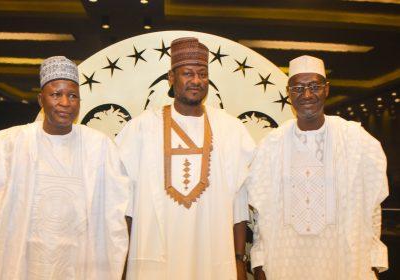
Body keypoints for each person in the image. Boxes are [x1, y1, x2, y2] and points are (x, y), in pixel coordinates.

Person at [116, 37, 255, 280]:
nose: (196, 81)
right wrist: (122, 262)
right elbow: (124, 205)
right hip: (154, 257)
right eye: (187, 73)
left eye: (202, 74)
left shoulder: (231, 130)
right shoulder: (140, 129)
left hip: (213, 258)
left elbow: (239, 203)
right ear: (171, 78)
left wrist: (238, 260)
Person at [0, 56, 130, 279]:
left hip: (81, 260)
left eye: (72, 96)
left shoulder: (99, 146)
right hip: (27, 261)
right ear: (41, 100)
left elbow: (116, 211)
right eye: (56, 94)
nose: (65, 103)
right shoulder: (12, 144)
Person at [247, 55, 389, 280]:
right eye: (298, 88)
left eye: (314, 86)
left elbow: (372, 205)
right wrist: (260, 261)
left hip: (344, 264)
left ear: (326, 89)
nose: (307, 95)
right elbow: (260, 212)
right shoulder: (270, 146)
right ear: (289, 92)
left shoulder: (357, 141)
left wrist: (372, 260)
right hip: (285, 263)